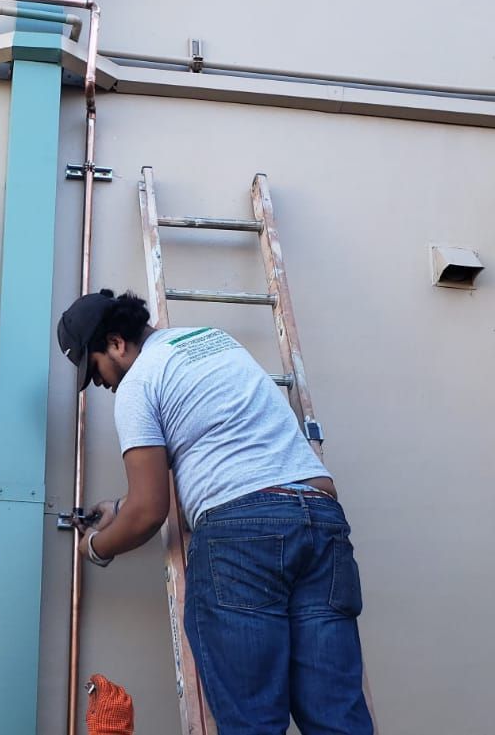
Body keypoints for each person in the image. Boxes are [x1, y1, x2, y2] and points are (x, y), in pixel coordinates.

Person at [58, 289, 373, 735]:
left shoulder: (138, 384)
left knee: (253, 723)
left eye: (95, 369)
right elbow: (223, 451)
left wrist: (95, 547)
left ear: (115, 342)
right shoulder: (213, 342)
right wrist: (117, 508)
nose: (103, 384)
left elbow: (149, 511)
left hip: (243, 537)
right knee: (336, 719)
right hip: (319, 519)